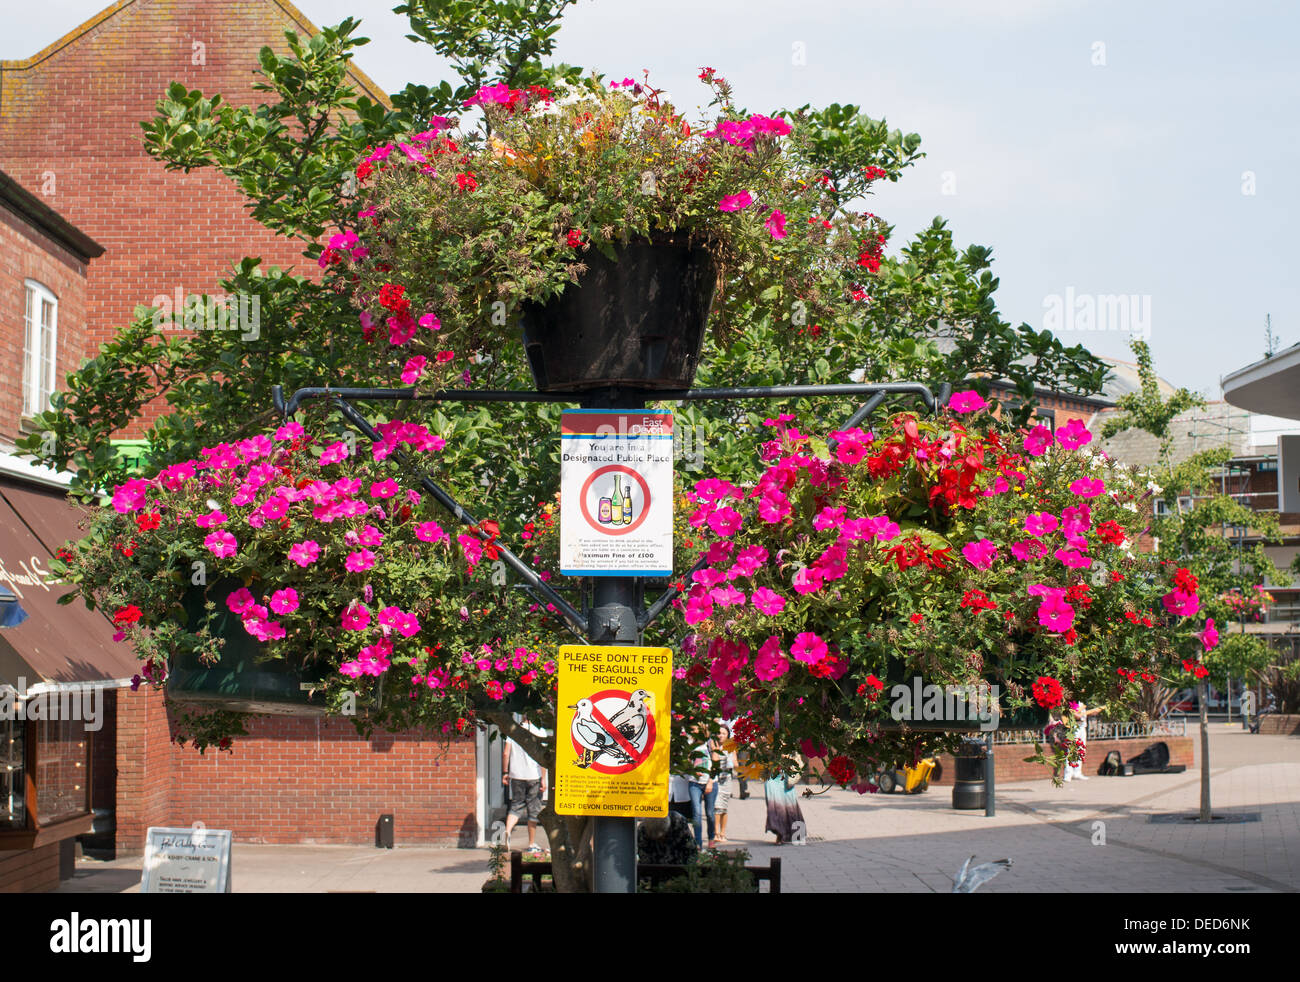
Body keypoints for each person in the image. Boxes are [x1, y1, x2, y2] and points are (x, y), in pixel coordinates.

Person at [502, 712, 548, 854]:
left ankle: (508, 831)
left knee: (516, 806)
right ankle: (532, 843)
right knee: (533, 811)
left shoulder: (514, 730)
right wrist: (543, 778)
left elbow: (506, 753)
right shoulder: (540, 731)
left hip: (516, 775)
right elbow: (542, 757)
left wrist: (505, 772)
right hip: (533, 775)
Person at [687, 726, 718, 848]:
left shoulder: (710, 743)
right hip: (694, 783)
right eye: (692, 729)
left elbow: (716, 765)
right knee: (697, 813)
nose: (693, 732)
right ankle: (698, 842)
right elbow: (687, 763)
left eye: (695, 729)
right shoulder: (690, 745)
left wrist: (710, 782)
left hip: (710, 782)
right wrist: (692, 770)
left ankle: (711, 837)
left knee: (710, 813)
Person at [764, 757, 806, 844]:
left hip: (786, 774)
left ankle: (797, 835)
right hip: (772, 773)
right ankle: (780, 833)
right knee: (776, 804)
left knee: (790, 804)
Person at [1063, 701, 1105, 781]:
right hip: (1074, 727)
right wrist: (1076, 715)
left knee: (1081, 750)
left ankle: (1077, 772)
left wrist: (1092, 713)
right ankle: (1068, 774)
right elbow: (1069, 711)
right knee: (1072, 750)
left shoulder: (1083, 702)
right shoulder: (1073, 699)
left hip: (1082, 726)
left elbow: (1083, 714)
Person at [713, 723, 736, 843]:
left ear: (728, 735)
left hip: (727, 779)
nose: (721, 735)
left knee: (724, 807)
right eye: (719, 733)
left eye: (724, 733)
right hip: (717, 779)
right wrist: (716, 748)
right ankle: (716, 832)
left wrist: (732, 761)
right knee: (717, 806)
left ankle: (723, 832)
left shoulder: (731, 748)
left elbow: (736, 764)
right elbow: (714, 760)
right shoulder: (714, 747)